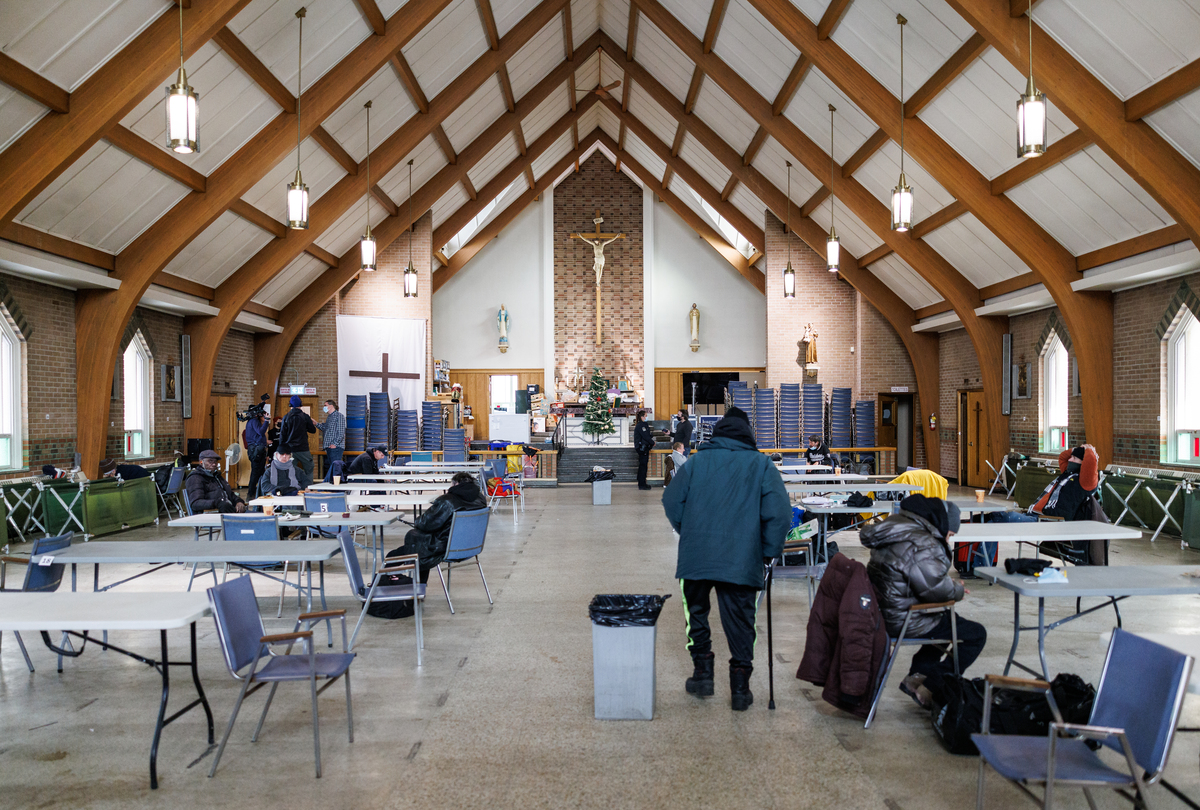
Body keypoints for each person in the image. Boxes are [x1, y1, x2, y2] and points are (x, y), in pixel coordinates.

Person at [662, 406, 790, 711]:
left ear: (718, 432)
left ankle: (703, 674)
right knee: (743, 620)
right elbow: (781, 513)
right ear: (748, 435)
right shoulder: (761, 465)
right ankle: (741, 688)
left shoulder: (697, 461)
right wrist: (769, 551)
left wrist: (687, 530)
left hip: (697, 556)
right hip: (742, 558)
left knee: (696, 613)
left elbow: (671, 498)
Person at [860, 494, 986, 709]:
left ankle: (916, 677)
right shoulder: (923, 542)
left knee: (948, 621)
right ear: (942, 524)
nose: (948, 540)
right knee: (974, 634)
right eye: (950, 534)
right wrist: (957, 590)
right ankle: (934, 684)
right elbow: (935, 590)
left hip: (881, 611)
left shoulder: (897, 527)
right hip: (901, 618)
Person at [383, 472, 488, 583]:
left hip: (445, 547)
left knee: (416, 541)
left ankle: (397, 579)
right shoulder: (481, 499)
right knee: (418, 544)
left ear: (456, 484)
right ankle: (414, 584)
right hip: (470, 546)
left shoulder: (447, 501)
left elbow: (425, 523)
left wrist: (420, 519)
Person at [279, 395, 316, 486]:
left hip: (290, 449)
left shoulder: (286, 417)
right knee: (309, 469)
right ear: (301, 404)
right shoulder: (305, 416)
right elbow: (313, 430)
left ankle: (291, 489)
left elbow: (282, 435)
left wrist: (281, 450)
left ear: (290, 405)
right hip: (303, 449)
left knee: (289, 471)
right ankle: (308, 488)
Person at [244, 404, 269, 501]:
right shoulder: (254, 421)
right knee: (255, 472)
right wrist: (267, 421)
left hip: (256, 449)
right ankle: (250, 494)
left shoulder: (251, 421)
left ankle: (260, 492)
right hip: (256, 450)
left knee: (260, 472)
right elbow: (260, 432)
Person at [318, 399, 345, 482]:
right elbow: (325, 429)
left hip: (335, 447)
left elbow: (341, 432)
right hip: (329, 447)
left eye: (325, 405)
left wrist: (335, 444)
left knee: (336, 467)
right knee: (332, 467)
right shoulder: (329, 417)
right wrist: (316, 424)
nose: (324, 407)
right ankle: (333, 483)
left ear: (331, 406)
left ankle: (337, 484)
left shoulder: (339, 416)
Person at [633, 409, 654, 491]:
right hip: (642, 448)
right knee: (643, 466)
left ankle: (641, 481)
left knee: (643, 466)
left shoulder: (643, 424)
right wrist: (652, 442)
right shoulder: (641, 425)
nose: (647, 417)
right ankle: (642, 484)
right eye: (645, 416)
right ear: (642, 417)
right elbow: (645, 436)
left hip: (644, 447)